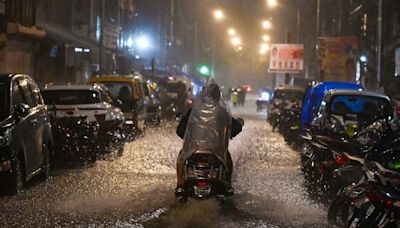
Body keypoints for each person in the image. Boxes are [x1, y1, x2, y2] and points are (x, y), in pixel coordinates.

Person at [175, 80, 243, 197]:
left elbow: (180, 131)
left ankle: (180, 184)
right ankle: (228, 184)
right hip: (216, 151)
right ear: (218, 96)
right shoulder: (222, 112)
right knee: (227, 159)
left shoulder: (194, 111)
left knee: (181, 157)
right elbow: (236, 128)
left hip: (193, 150)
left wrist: (190, 139)